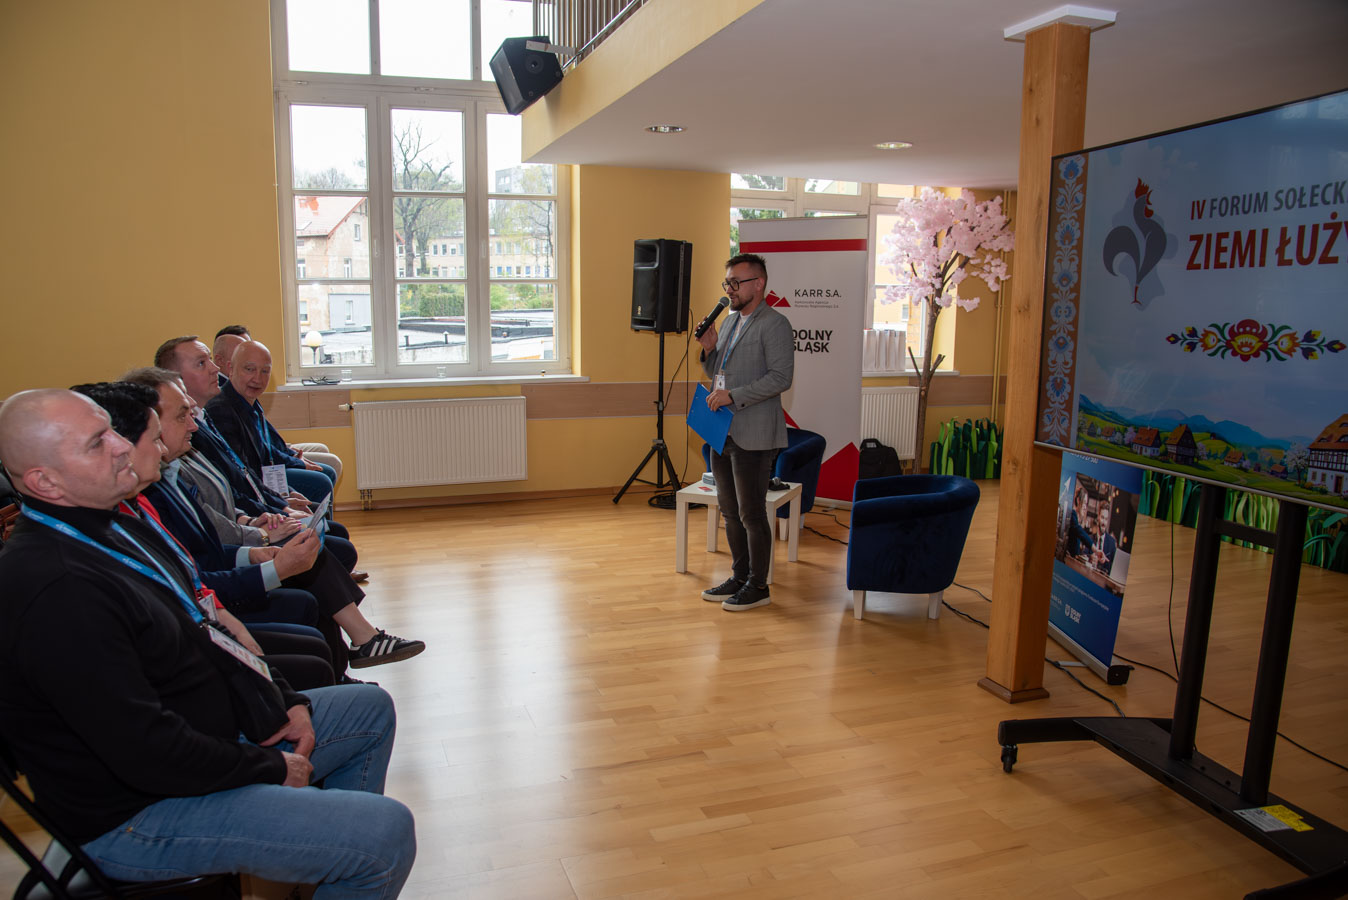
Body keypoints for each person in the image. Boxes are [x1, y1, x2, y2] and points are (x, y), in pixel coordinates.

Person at [0, 389, 416, 896]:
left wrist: (283, 698)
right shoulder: (57, 588)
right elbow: (145, 751)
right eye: (96, 443)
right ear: (44, 481)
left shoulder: (110, 526)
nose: (121, 445)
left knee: (368, 709)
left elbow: (212, 631)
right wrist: (270, 765)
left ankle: (325, 855)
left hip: (205, 741)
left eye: (111, 431)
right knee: (385, 833)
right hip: (139, 812)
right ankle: (342, 846)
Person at [141, 375, 425, 671]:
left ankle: (357, 647)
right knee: (312, 560)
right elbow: (203, 558)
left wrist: (260, 530)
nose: (193, 424)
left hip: (239, 542)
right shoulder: (165, 481)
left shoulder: (176, 469)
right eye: (182, 415)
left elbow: (243, 478)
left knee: (315, 548)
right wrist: (262, 539)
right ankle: (360, 642)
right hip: (216, 595)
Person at [73, 381, 336, 690]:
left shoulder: (147, 494)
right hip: (191, 641)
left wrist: (254, 551)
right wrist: (272, 565)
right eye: (156, 437)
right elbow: (189, 582)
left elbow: (195, 559)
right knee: (313, 650)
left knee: (313, 635)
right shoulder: (133, 508)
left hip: (204, 615)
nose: (193, 426)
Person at [694, 253, 795, 611]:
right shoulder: (731, 322)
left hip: (754, 432)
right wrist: (709, 350)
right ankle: (739, 576)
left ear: (759, 284)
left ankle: (758, 585)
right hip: (722, 430)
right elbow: (718, 374)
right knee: (730, 510)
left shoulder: (775, 324)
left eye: (736, 282)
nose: (730, 289)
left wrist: (733, 395)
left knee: (752, 513)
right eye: (727, 282)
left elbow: (781, 378)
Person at [205, 340, 337, 506]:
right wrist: (282, 501)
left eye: (265, 371)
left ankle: (316, 521)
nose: (257, 378)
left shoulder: (249, 400)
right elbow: (242, 475)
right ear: (231, 369)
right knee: (322, 482)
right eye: (249, 369)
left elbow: (265, 449)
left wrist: (289, 487)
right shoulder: (221, 410)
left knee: (327, 474)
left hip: (266, 475)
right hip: (253, 490)